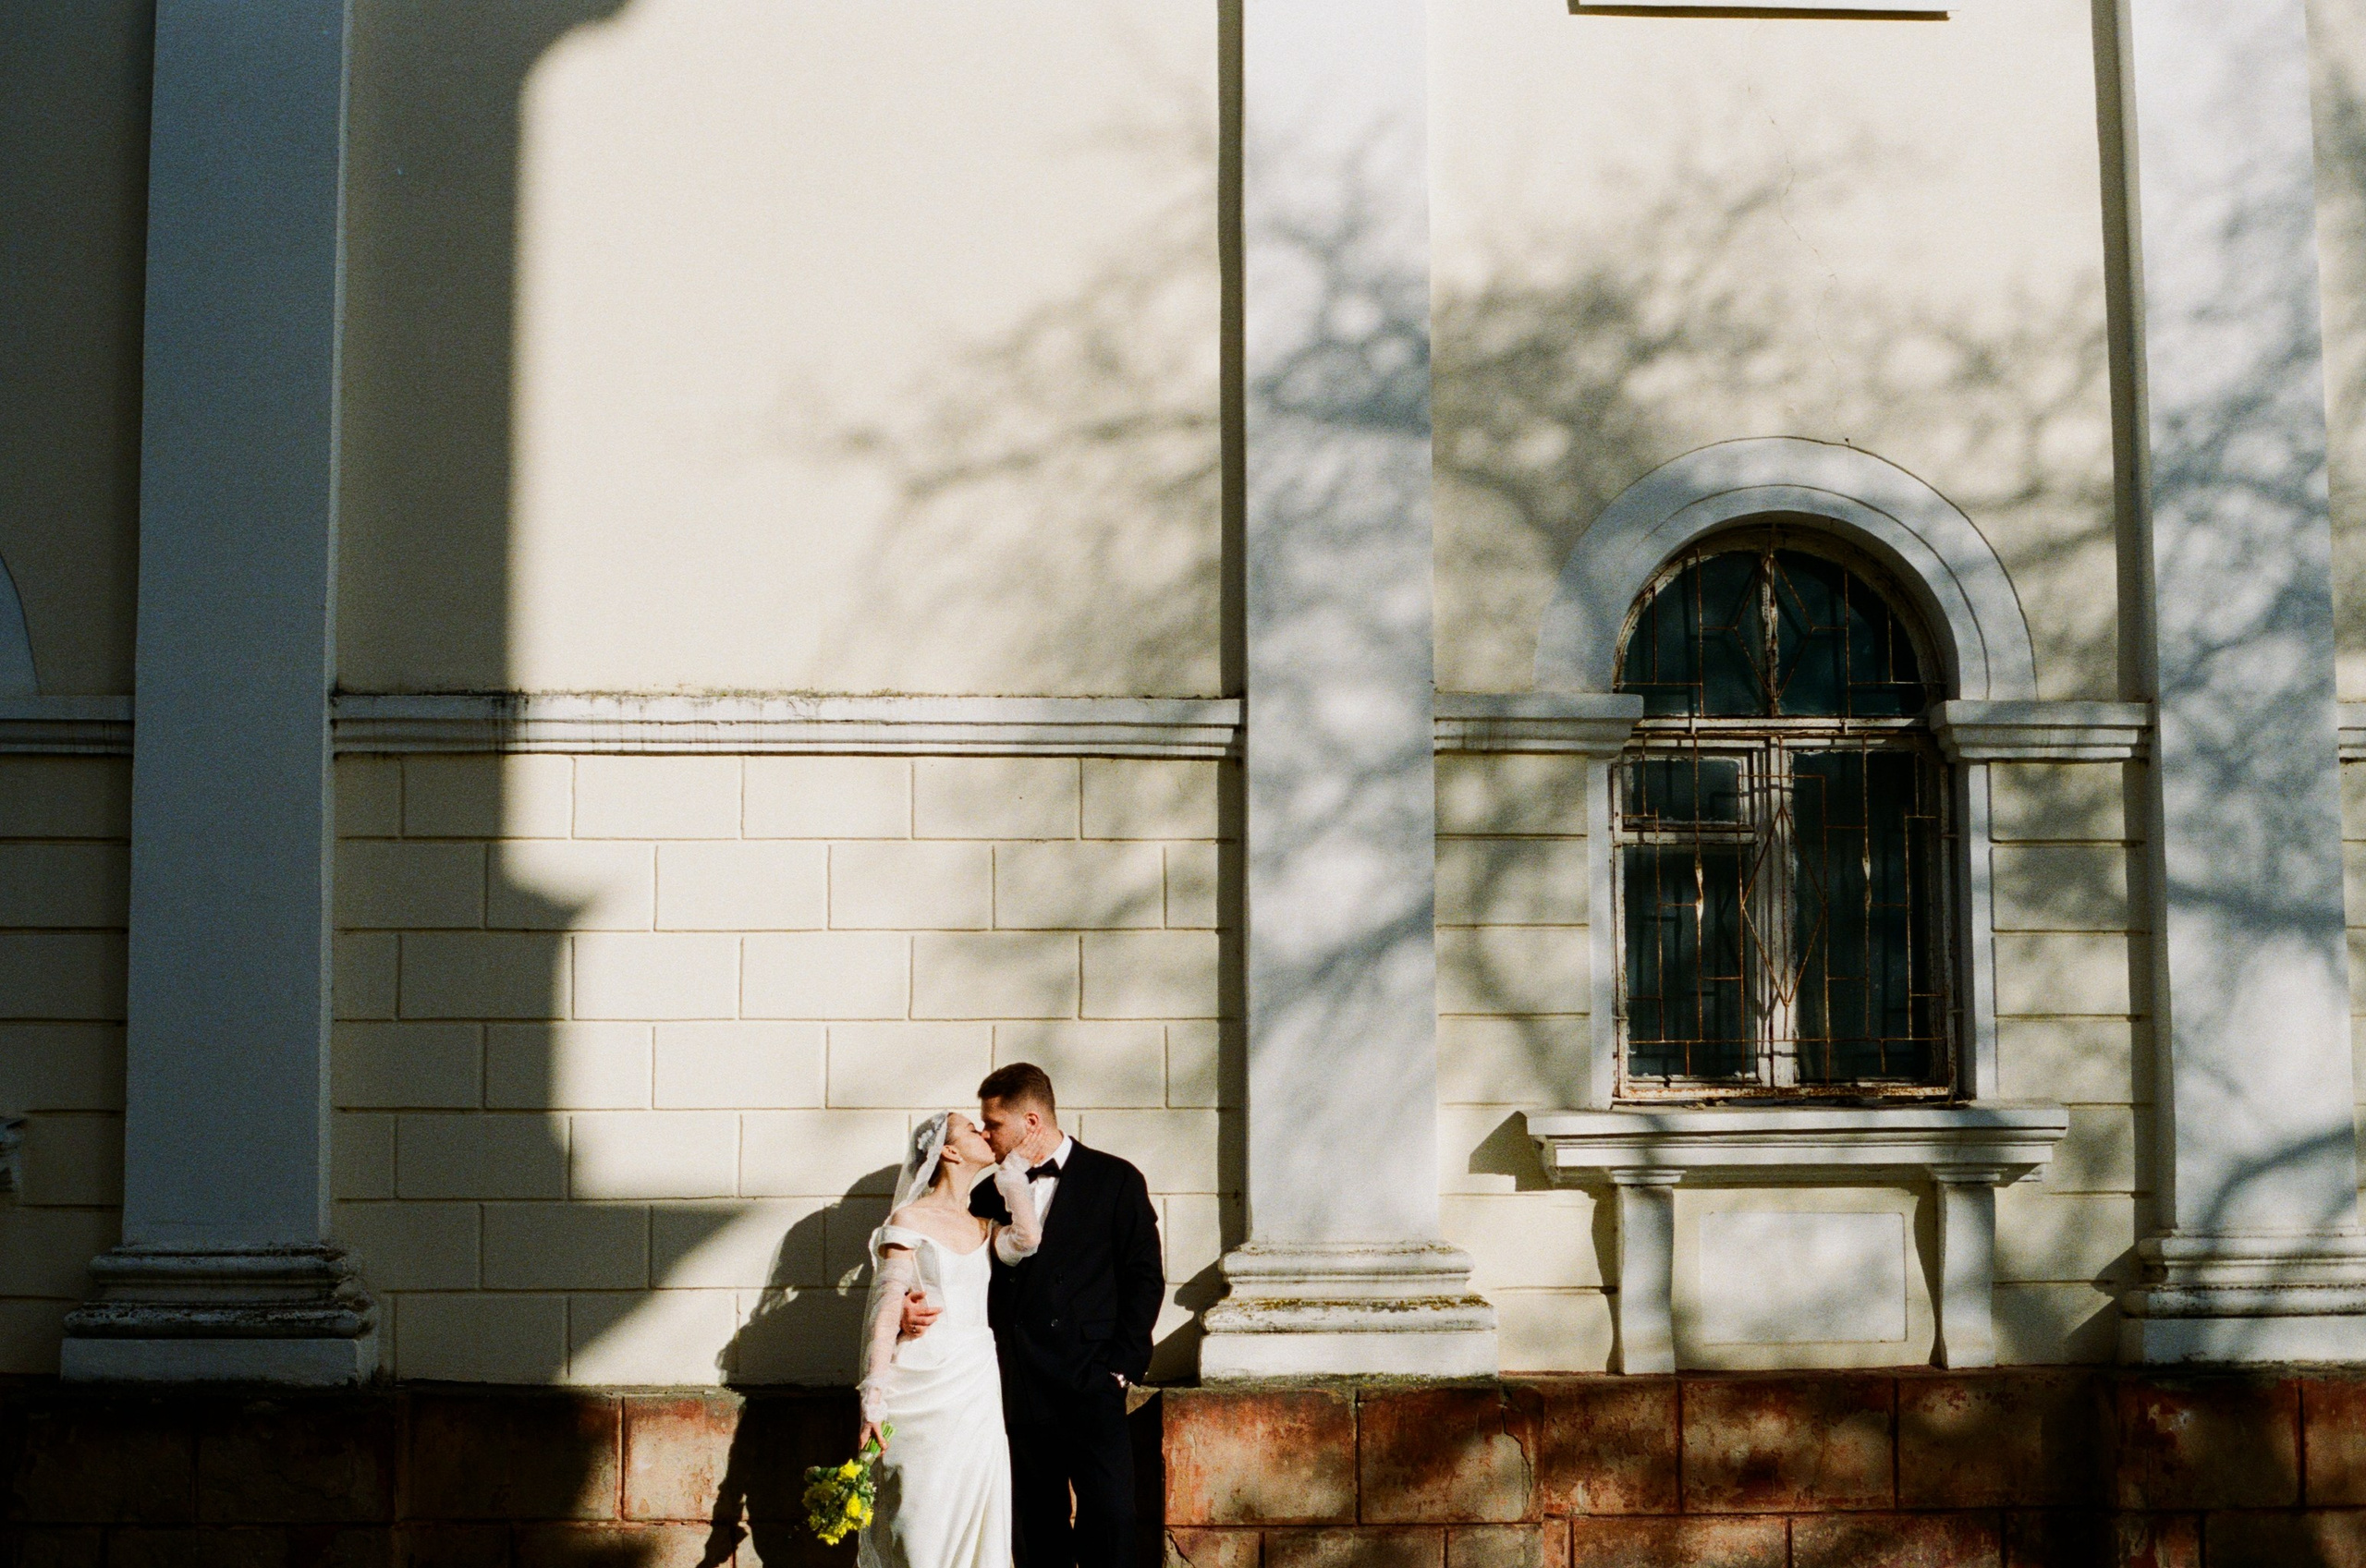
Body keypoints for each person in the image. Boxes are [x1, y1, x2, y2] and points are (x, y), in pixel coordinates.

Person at [901, 1064, 1165, 1568]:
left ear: (1031, 1120)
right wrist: (910, 1303)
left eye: (994, 1125)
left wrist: (1121, 1368)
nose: (987, 1135)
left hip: (1093, 1382)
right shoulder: (982, 1194)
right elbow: (955, 1268)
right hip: (1016, 1385)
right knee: (1033, 1528)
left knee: (1111, 1520)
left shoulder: (1116, 1179)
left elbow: (1144, 1277)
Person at [855, 1111, 1043, 1568]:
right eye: (970, 1129)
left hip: (975, 1385)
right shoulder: (910, 1218)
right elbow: (884, 1311)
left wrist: (1014, 1175)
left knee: (980, 1524)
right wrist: (873, 1398)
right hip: (920, 1384)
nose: (984, 1132)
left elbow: (1028, 1239)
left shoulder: (983, 1226)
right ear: (949, 1151)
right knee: (919, 1526)